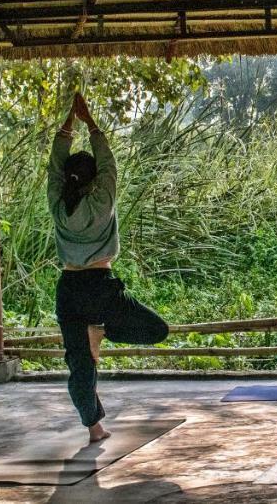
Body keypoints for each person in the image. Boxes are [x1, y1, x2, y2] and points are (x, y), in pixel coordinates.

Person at [49, 92, 169, 443]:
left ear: (70, 180)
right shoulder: (103, 200)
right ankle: (102, 332)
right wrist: (89, 122)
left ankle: (94, 429)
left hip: (68, 289)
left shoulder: (58, 204)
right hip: (101, 287)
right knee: (156, 329)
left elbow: (56, 167)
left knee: (79, 366)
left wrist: (67, 126)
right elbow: (109, 165)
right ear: (94, 181)